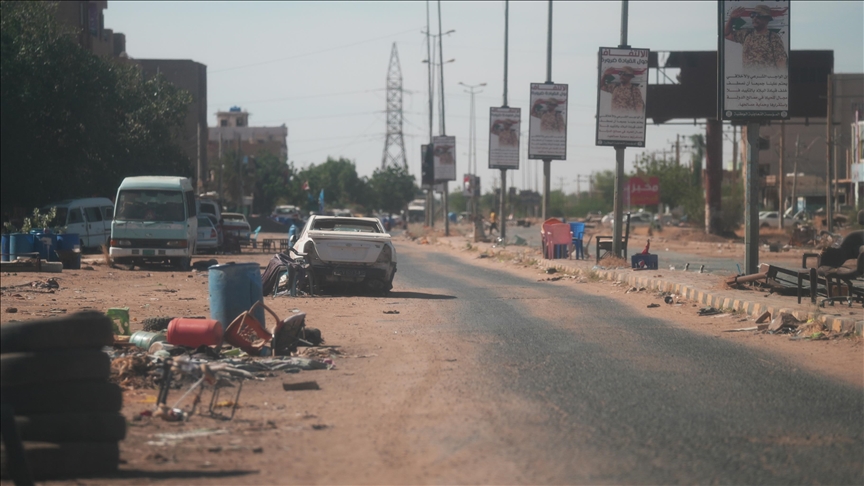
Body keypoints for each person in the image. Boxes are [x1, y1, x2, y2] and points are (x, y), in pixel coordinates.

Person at [724, 4, 787, 70]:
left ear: (767, 19)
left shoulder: (773, 38)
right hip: (747, 79)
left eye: (758, 16)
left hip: (766, 79)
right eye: (753, 15)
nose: (755, 18)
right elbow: (726, 34)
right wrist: (731, 19)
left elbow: (781, 63)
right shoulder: (746, 34)